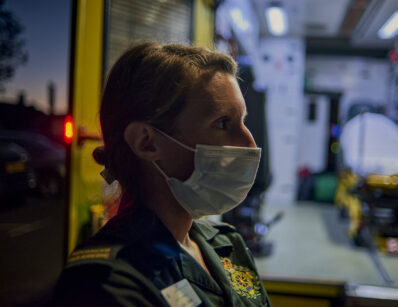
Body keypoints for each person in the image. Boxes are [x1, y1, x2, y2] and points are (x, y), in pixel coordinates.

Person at [51, 42, 272, 307]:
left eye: (242, 121)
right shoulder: (103, 282)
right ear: (147, 142)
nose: (249, 143)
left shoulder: (227, 243)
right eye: (223, 123)